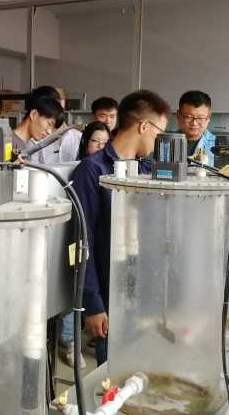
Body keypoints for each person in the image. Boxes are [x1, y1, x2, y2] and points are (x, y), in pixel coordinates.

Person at [72, 90, 170, 366]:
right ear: (143, 126)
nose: (160, 140)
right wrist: (92, 303)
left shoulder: (147, 169)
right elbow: (81, 239)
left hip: (146, 293)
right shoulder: (92, 170)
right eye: (159, 132)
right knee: (115, 374)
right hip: (110, 295)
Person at [59, 120, 110, 369]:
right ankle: (70, 342)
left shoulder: (109, 170)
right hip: (74, 246)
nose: (99, 147)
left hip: (94, 254)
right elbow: (82, 229)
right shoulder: (85, 170)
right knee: (73, 295)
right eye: (94, 141)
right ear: (84, 142)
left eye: (104, 143)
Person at [60, 97, 119, 162]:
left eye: (112, 116)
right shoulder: (77, 136)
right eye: (103, 116)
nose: (108, 121)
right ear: (93, 117)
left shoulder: (119, 138)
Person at [11, 96, 64, 161]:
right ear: (34, 114)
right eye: (49, 124)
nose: (49, 132)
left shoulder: (29, 147)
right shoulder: (8, 143)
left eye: (53, 129)